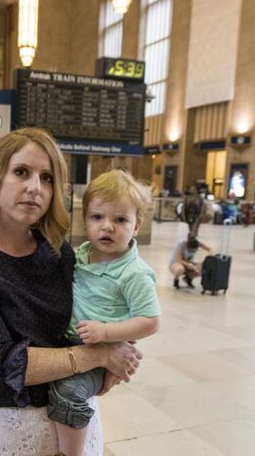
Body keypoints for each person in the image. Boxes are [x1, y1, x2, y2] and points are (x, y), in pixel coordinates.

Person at [0, 128, 142, 455]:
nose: (35, 188)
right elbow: (1, 365)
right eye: (21, 172)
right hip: (6, 432)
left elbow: (101, 313)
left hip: (75, 422)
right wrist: (99, 356)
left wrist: (114, 357)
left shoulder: (59, 253)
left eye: (46, 178)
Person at [48, 169, 160, 456]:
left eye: (120, 219)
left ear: (137, 226)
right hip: (71, 343)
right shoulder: (82, 254)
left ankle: (71, 452)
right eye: (97, 217)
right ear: (85, 220)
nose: (107, 226)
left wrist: (107, 332)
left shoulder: (133, 273)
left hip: (102, 349)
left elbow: (150, 322)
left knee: (68, 392)